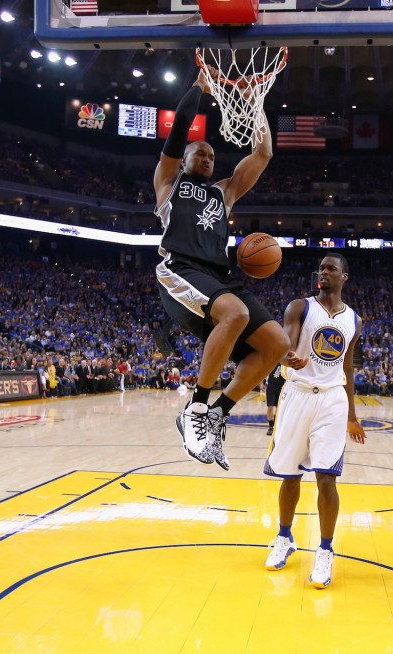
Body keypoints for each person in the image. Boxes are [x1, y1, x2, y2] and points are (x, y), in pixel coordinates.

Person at [154, 68, 289, 471]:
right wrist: (200, 86)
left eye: (213, 156)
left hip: (220, 276)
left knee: (276, 345)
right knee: (236, 312)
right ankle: (195, 409)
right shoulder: (168, 183)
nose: (209, 158)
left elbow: (263, 154)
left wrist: (256, 102)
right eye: (202, 153)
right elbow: (180, 126)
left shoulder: (224, 192)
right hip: (181, 269)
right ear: (186, 159)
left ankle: (217, 413)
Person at [263, 253, 365, 588]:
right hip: (297, 393)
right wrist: (289, 357)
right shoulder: (300, 307)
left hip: (332, 400)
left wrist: (352, 416)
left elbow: (348, 368)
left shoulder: (354, 320)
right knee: (289, 476)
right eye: (320, 268)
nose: (323, 272)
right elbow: (284, 344)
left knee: (327, 479)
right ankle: (284, 536)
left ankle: (325, 550)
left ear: (344, 277)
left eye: (330, 269)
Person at [264, 363, 285, 436]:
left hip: (282, 386)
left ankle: (276, 426)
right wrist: (261, 384)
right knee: (270, 407)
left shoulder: (286, 362)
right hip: (271, 386)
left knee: (279, 408)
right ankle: (270, 426)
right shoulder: (272, 359)